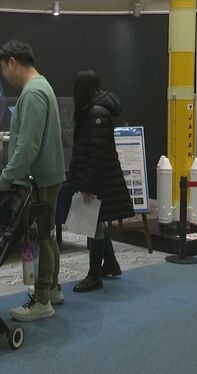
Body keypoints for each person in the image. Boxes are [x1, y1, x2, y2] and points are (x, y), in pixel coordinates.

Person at [0, 40, 65, 322]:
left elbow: (28, 146)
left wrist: (6, 177)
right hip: (45, 177)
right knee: (47, 234)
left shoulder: (33, 93)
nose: (3, 75)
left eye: (3, 68)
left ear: (13, 62)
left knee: (42, 237)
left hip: (38, 180)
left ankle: (42, 299)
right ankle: (54, 288)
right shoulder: (41, 87)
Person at [68, 70, 135, 293]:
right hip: (101, 178)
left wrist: (87, 185)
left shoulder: (96, 113)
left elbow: (96, 153)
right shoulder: (98, 111)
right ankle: (111, 264)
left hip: (97, 179)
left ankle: (94, 275)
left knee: (93, 223)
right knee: (96, 221)